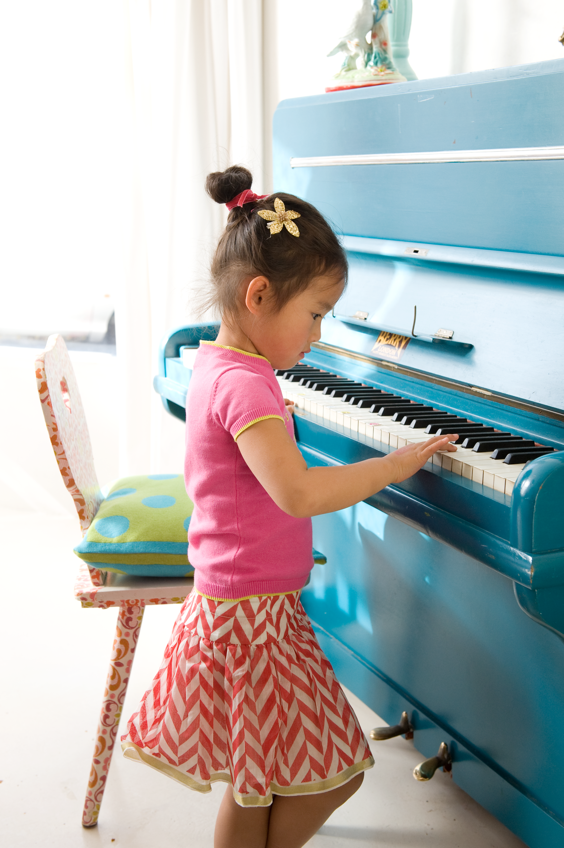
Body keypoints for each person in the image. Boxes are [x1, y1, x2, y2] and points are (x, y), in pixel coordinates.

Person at [121, 165, 458, 848]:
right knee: (328, 774)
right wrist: (390, 465)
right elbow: (296, 492)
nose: (320, 334)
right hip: (252, 619)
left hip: (246, 605)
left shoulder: (223, 366)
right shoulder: (247, 389)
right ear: (258, 295)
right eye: (315, 315)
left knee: (259, 780)